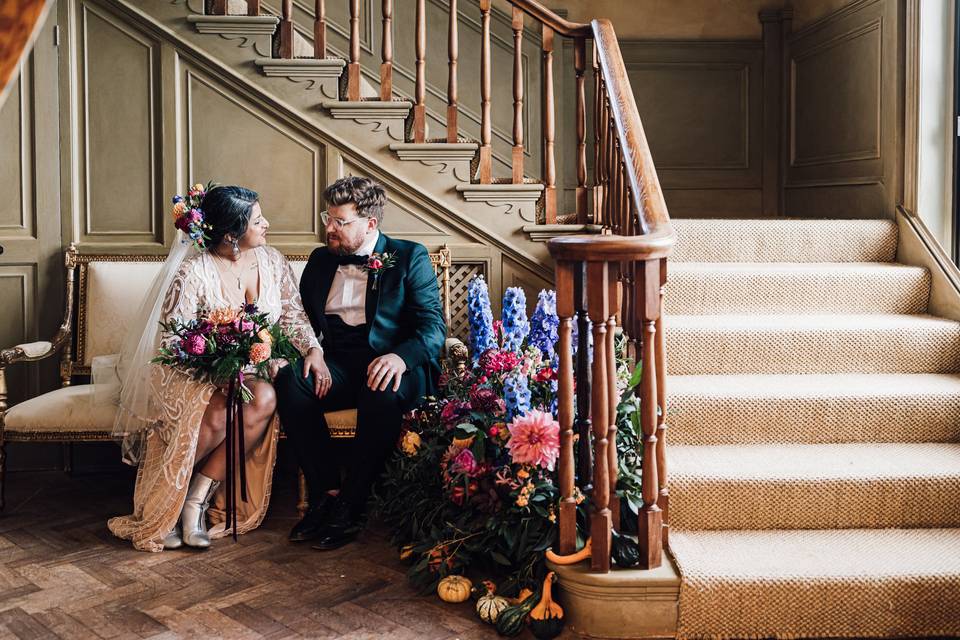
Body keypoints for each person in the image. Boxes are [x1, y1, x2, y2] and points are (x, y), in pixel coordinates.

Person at [104, 185, 325, 552]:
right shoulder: (194, 272)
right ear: (230, 235)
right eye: (257, 220)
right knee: (222, 410)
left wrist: (313, 350)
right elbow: (174, 340)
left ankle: (195, 500)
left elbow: (292, 316)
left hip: (250, 370)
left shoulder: (272, 261)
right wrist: (216, 368)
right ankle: (168, 506)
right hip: (191, 372)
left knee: (264, 396)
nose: (267, 224)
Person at [275, 176, 445, 550]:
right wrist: (311, 352)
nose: (328, 228)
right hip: (337, 363)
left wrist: (400, 357)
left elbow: (434, 329)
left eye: (340, 221)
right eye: (327, 217)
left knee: (379, 390)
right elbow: (301, 321)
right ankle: (325, 495)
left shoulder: (408, 256)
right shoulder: (321, 260)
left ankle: (354, 504)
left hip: (393, 366)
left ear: (370, 224)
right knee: (292, 381)